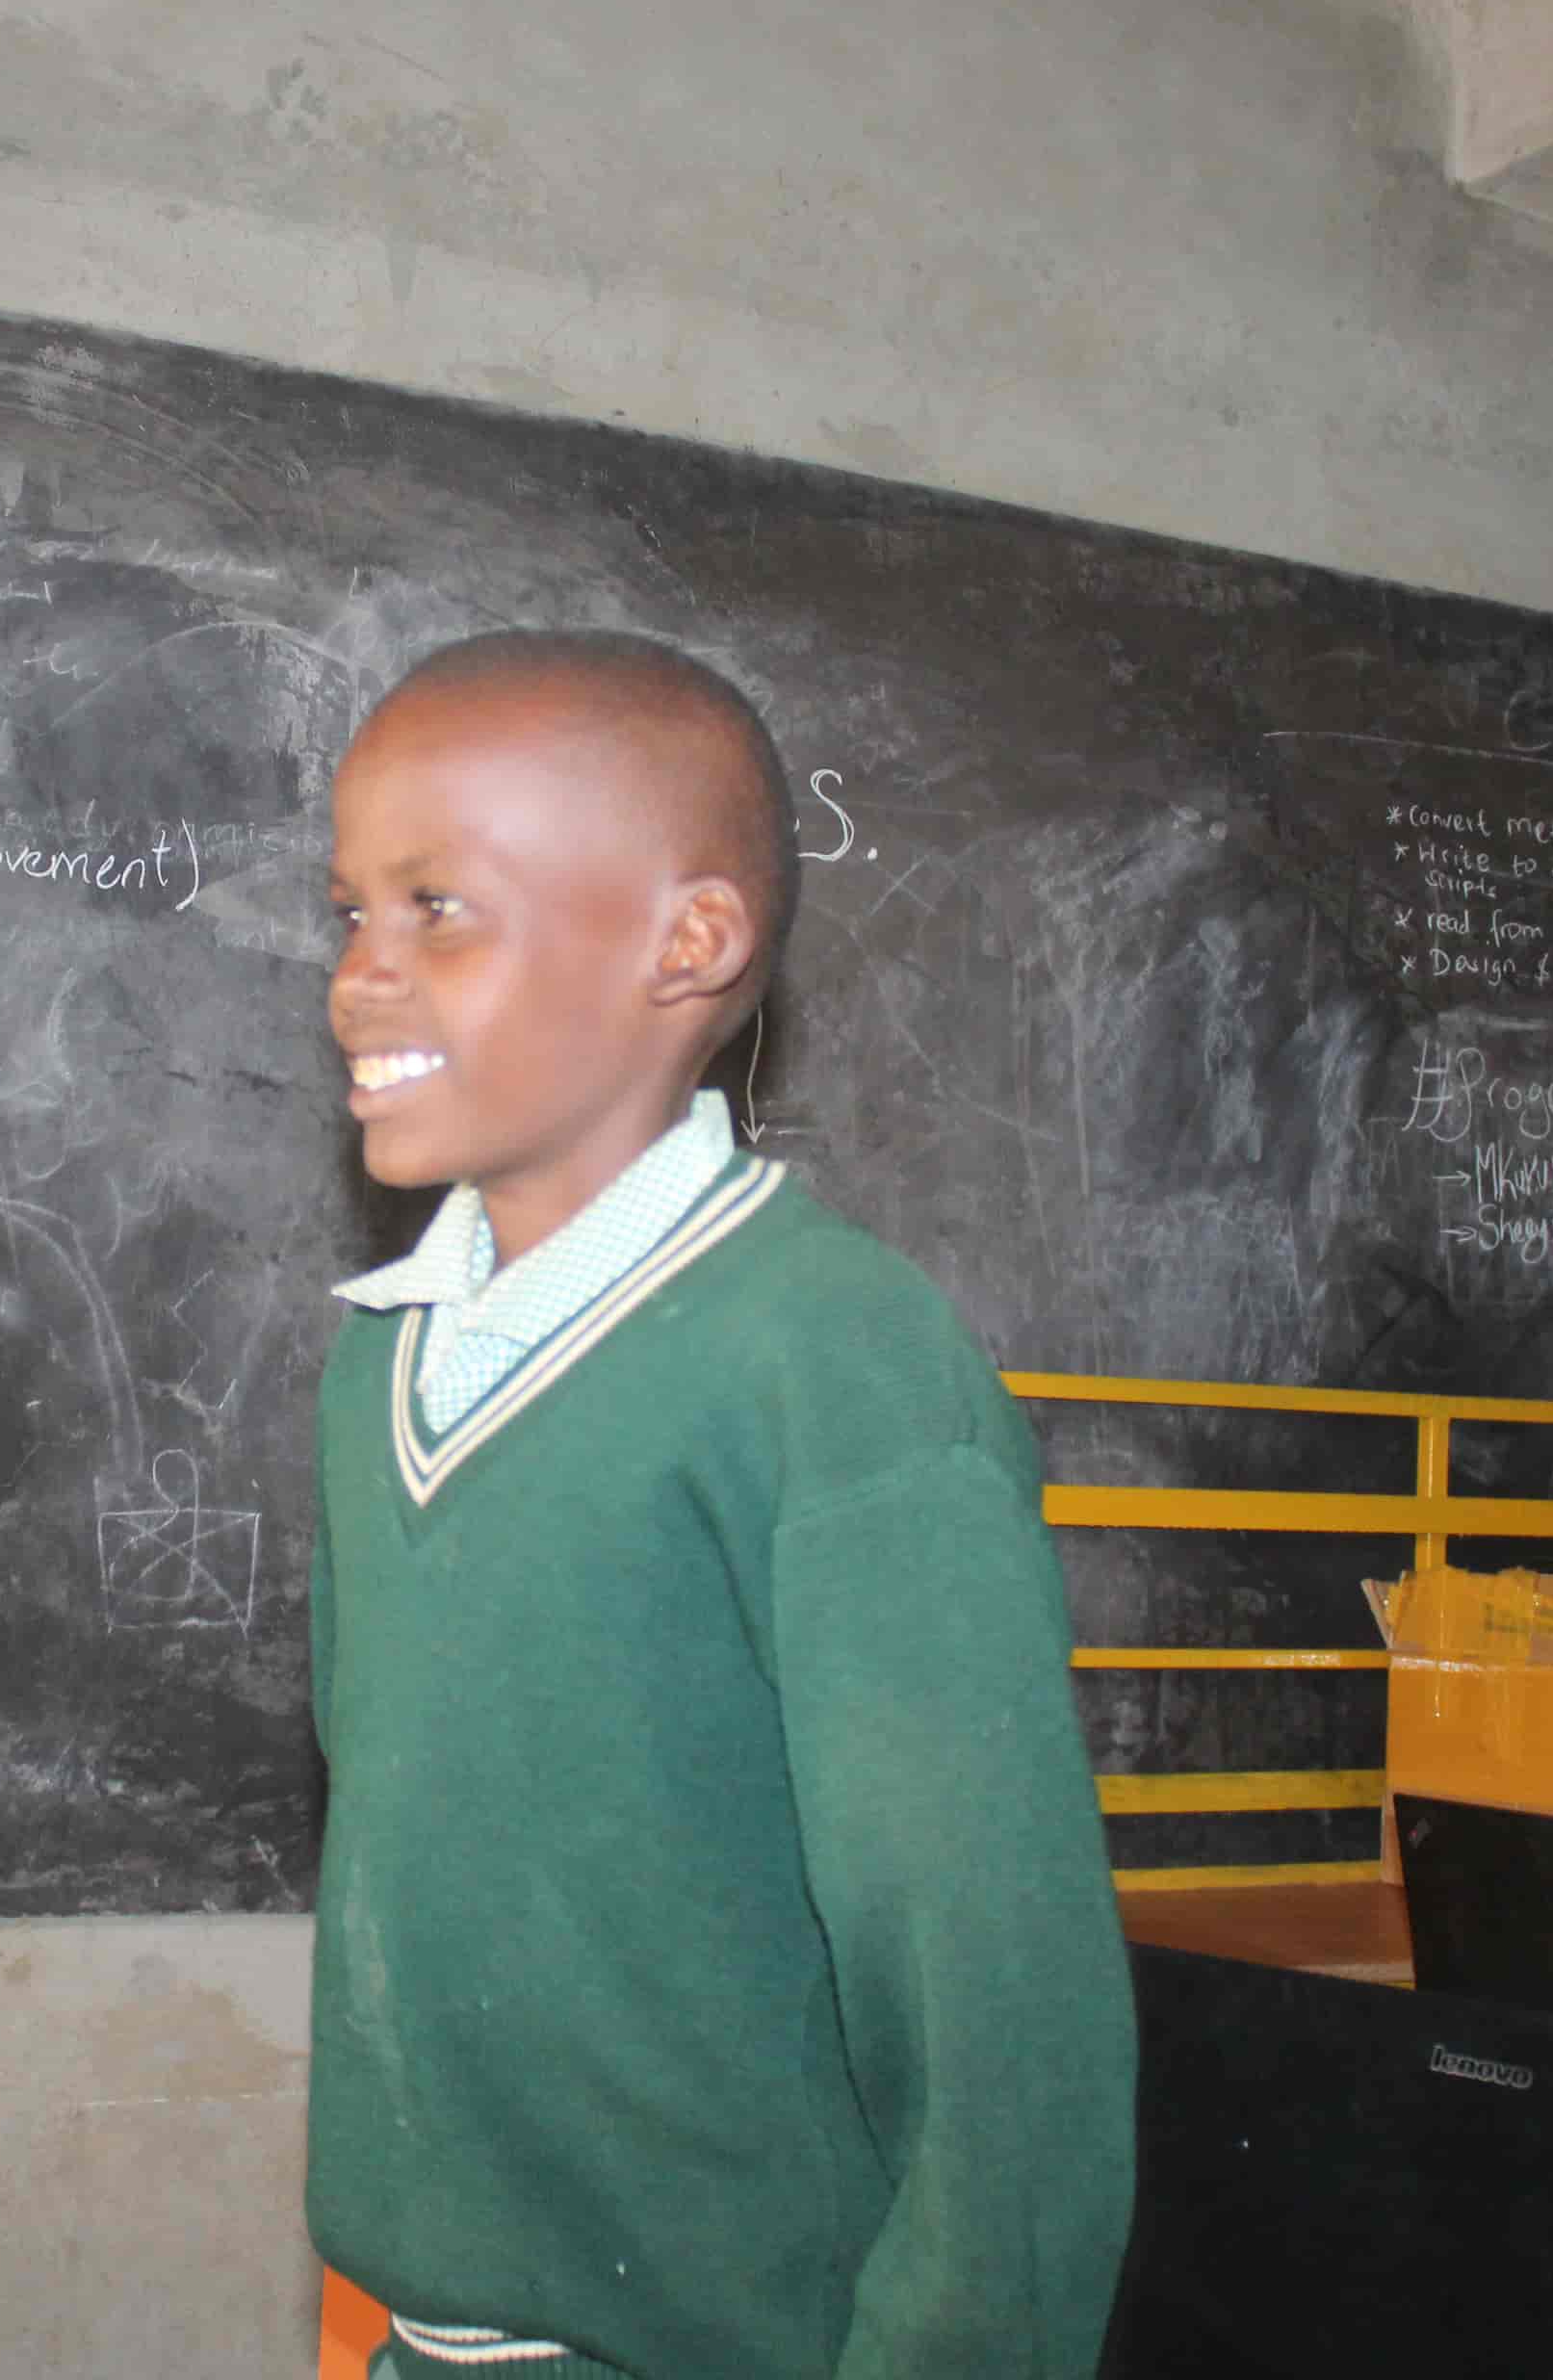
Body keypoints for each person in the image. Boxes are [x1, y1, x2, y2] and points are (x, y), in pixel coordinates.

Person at [304, 630, 1134, 2379]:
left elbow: (999, 2023)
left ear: (690, 943)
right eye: (349, 914)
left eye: (438, 909)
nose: (360, 978)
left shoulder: (829, 1364)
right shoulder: (376, 1367)